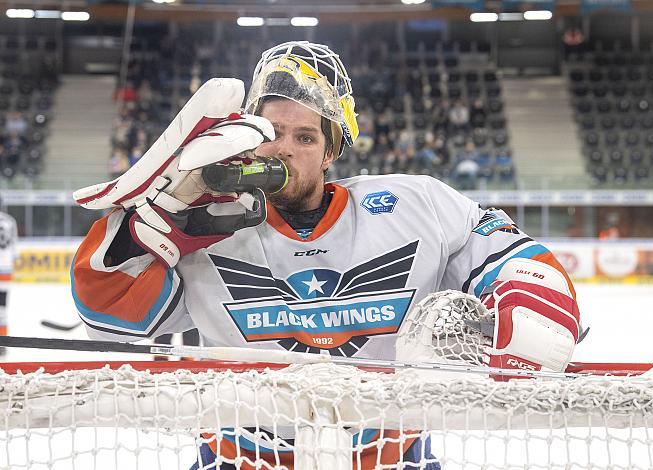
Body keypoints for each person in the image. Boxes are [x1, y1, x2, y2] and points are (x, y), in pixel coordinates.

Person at [71, 41, 581, 469]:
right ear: (248, 142)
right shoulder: (205, 223)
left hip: (391, 455)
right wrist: (149, 228)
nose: (285, 149)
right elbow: (106, 316)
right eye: (272, 134)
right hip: (238, 457)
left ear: (332, 149)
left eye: (305, 137)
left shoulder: (416, 204)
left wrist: (529, 290)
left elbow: (513, 256)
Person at [0, 201, 17, 355]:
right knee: (2, 309)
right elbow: (14, 249)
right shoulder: (10, 221)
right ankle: (2, 343)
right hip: (5, 271)